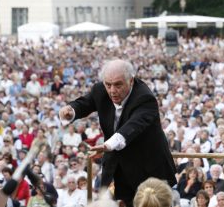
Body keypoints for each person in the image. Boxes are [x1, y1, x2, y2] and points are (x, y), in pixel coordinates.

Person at [59, 59, 176, 206]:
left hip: (149, 170)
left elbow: (132, 127)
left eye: (118, 85)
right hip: (118, 170)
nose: (112, 90)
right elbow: (85, 103)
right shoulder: (101, 89)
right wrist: (71, 110)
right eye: (108, 85)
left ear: (131, 81)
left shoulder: (145, 98)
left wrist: (108, 145)